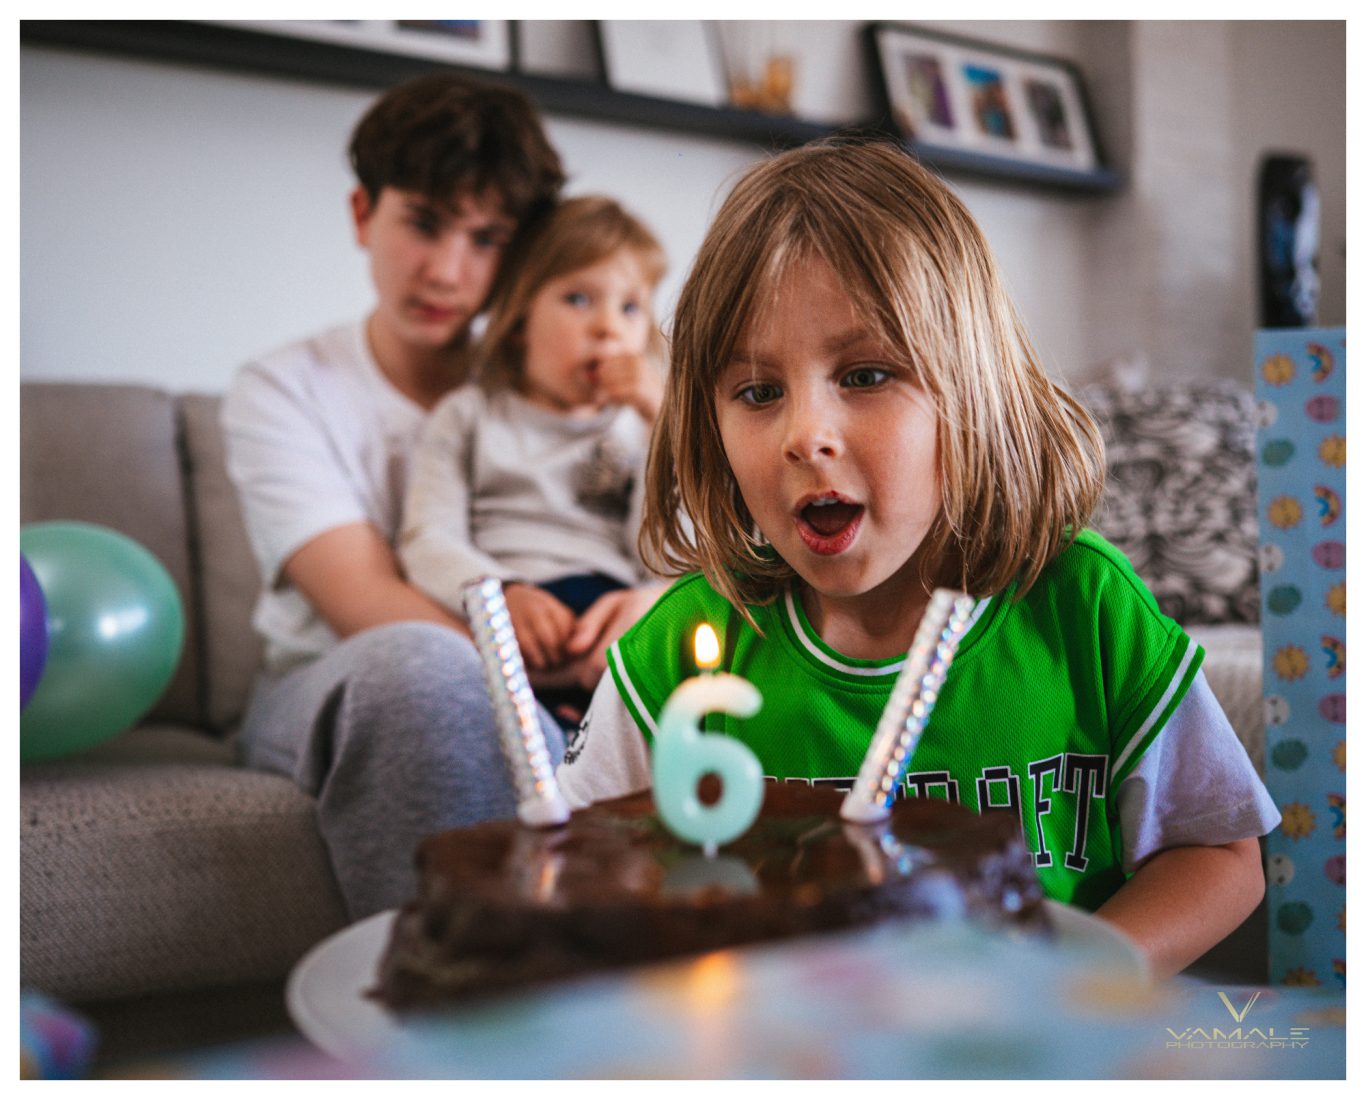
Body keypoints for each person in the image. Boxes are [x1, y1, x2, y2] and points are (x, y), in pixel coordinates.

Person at [556, 139, 1279, 978]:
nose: (805, 436)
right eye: (758, 392)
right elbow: (569, 869)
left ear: (971, 393)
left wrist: (1075, 985)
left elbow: (1222, 858)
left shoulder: (1084, 606)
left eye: (864, 375)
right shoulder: (679, 650)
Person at [221, 73, 566, 919]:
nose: (447, 270)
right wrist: (545, 692)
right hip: (333, 678)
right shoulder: (283, 389)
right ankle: (450, 1000)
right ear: (362, 214)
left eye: (487, 240)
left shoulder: (550, 393)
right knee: (424, 671)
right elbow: (367, 602)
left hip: (543, 665)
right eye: (424, 222)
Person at [398, 196, 670, 723]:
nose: (608, 328)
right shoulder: (470, 416)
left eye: (630, 307)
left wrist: (665, 425)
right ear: (521, 318)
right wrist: (500, 594)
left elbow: (665, 557)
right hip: (511, 613)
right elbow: (426, 538)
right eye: (578, 298)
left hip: (612, 621)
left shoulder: (642, 430)